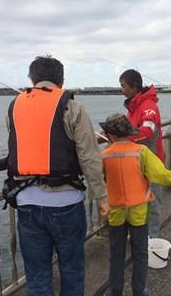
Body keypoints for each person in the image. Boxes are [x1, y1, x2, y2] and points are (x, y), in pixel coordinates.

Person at [6, 55, 109, 296]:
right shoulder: (72, 107)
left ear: (32, 78)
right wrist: (102, 197)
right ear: (61, 81)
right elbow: (89, 157)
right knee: (71, 269)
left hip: (26, 202)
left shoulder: (14, 106)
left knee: (37, 274)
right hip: (66, 203)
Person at [100, 113, 171, 296]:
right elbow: (161, 174)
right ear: (130, 132)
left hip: (116, 213)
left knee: (116, 254)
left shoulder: (103, 155)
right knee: (140, 253)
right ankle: (139, 290)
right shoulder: (141, 152)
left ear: (110, 135)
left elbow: (98, 179)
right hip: (139, 213)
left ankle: (115, 290)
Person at [119, 69, 164, 238]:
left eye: (123, 86)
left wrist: (121, 136)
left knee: (152, 204)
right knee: (136, 202)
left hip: (151, 164)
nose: (122, 90)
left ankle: (152, 240)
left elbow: (147, 132)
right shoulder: (133, 107)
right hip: (136, 163)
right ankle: (140, 235)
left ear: (134, 85)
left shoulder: (149, 107)